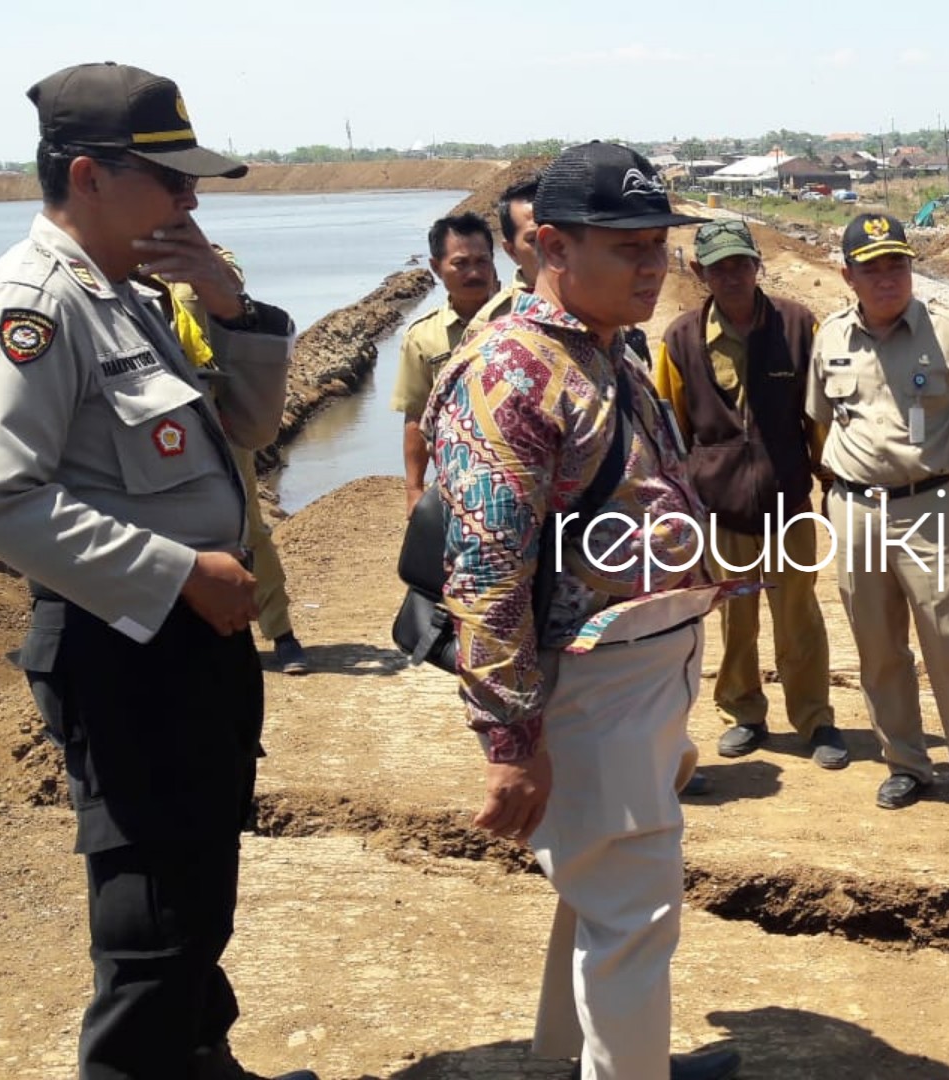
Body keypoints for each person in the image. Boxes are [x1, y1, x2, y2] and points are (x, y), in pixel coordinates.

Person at [0, 62, 315, 1080]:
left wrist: (232, 307)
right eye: (172, 183)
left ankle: (199, 1058)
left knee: (201, 875)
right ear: (87, 176)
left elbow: (252, 430)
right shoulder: (39, 302)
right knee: (151, 909)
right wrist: (179, 571)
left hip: (193, 636)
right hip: (123, 643)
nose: (191, 203)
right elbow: (5, 498)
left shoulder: (131, 296)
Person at [423, 140, 739, 1080]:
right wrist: (510, 742)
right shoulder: (515, 371)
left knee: (602, 895)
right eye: (629, 246)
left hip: (647, 669)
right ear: (553, 247)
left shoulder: (605, 348)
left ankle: (583, 1057)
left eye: (660, 244)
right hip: (596, 685)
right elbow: (483, 570)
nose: (655, 266)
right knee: (632, 913)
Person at [809, 212, 949, 833]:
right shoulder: (830, 338)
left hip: (925, 509)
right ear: (848, 275)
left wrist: (946, 477)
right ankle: (905, 760)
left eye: (896, 263)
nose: (887, 277)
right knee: (876, 644)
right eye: (871, 267)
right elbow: (821, 421)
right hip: (854, 509)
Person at [657, 220, 845, 769]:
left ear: (756, 264)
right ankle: (743, 714)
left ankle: (814, 717)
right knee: (735, 620)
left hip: (788, 503)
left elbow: (819, 416)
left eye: (742, 263)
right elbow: (672, 430)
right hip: (720, 510)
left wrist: (829, 482)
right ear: (699, 273)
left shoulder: (796, 324)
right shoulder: (680, 339)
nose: (733, 275)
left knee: (799, 617)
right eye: (720, 267)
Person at [165, 259, 310, 674]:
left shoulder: (204, 255)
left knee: (249, 525)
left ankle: (281, 633)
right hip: (152, 425)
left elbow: (230, 289)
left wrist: (184, 253)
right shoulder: (112, 266)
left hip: (216, 417)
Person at [393, 211, 498, 513]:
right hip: (457, 481)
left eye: (482, 261)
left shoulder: (523, 319)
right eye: (461, 264)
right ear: (436, 268)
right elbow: (415, 414)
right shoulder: (423, 337)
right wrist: (414, 488)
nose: (474, 273)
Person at [474, 172, 540, 324]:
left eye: (560, 233)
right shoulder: (491, 322)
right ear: (511, 251)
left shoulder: (598, 300)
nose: (552, 247)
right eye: (534, 239)